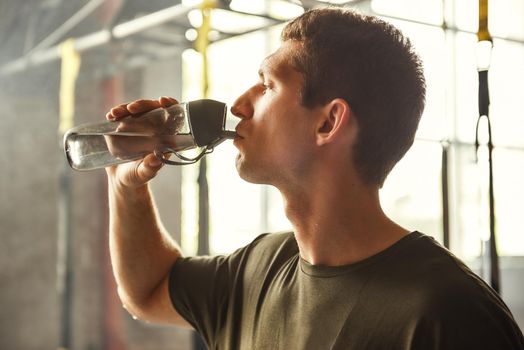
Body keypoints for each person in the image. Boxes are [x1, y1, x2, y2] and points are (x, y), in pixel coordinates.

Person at [105, 7, 524, 350]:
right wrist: (126, 186)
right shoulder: (259, 267)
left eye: (267, 86)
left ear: (328, 123)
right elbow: (148, 291)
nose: (238, 105)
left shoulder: (449, 315)